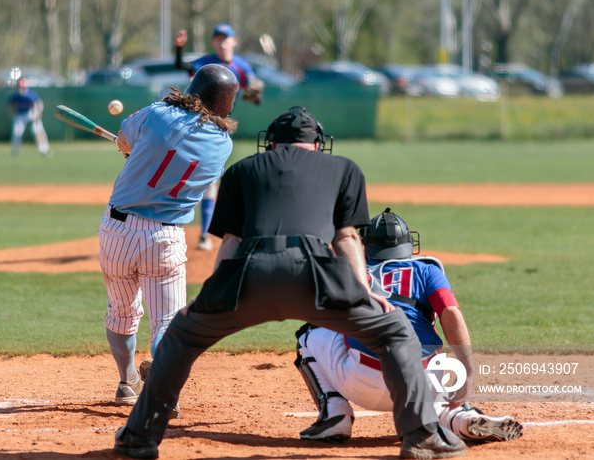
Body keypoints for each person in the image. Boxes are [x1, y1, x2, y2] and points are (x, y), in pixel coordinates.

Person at [113, 107, 466, 459]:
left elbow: (231, 243)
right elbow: (346, 239)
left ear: (272, 143)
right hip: (315, 274)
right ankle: (421, 437)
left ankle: (138, 438)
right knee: (393, 331)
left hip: (247, 274)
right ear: (317, 143)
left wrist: (207, 297)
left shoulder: (240, 170)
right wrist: (367, 290)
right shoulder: (344, 168)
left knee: (180, 337)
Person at [294, 208, 523, 443]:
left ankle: (335, 415)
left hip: (363, 380)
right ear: (408, 244)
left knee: (308, 333)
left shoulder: (351, 273)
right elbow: (451, 312)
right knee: (438, 401)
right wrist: (468, 372)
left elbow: (320, 313)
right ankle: (461, 418)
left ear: (365, 245)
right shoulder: (427, 270)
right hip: (420, 380)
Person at [99, 64, 239, 411]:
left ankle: (127, 381)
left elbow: (125, 138)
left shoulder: (158, 113)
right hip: (164, 237)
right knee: (167, 322)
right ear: (226, 104)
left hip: (116, 230)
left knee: (121, 311)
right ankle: (163, 391)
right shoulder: (222, 145)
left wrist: (132, 152)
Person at [174, 23, 265, 251]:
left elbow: (255, 95)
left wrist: (254, 95)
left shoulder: (242, 66)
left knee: (210, 180)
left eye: (226, 38)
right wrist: (178, 48)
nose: (223, 42)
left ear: (233, 41)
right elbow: (182, 66)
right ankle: (176, 223)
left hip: (217, 127)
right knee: (186, 173)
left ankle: (203, 234)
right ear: (214, 42)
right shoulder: (207, 63)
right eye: (218, 38)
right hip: (193, 123)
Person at [8, 78, 51, 157]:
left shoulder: (31, 94)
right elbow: (11, 104)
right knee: (17, 132)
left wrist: (39, 113)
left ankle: (45, 149)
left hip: (31, 114)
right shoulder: (16, 95)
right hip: (20, 115)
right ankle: (15, 150)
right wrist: (11, 113)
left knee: (39, 130)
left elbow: (39, 103)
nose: (22, 88)